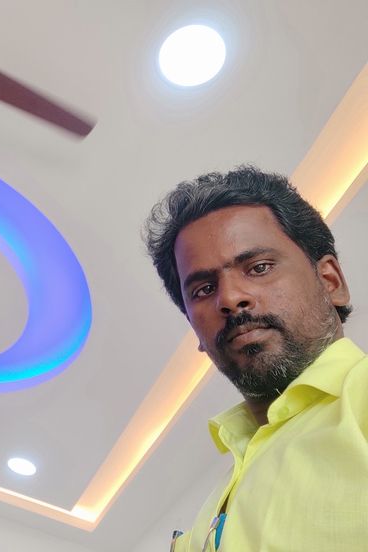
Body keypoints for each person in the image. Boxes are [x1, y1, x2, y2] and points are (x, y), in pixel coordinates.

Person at [143, 166, 368, 551]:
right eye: (203, 289)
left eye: (259, 267)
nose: (229, 299)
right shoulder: (214, 505)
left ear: (331, 282)